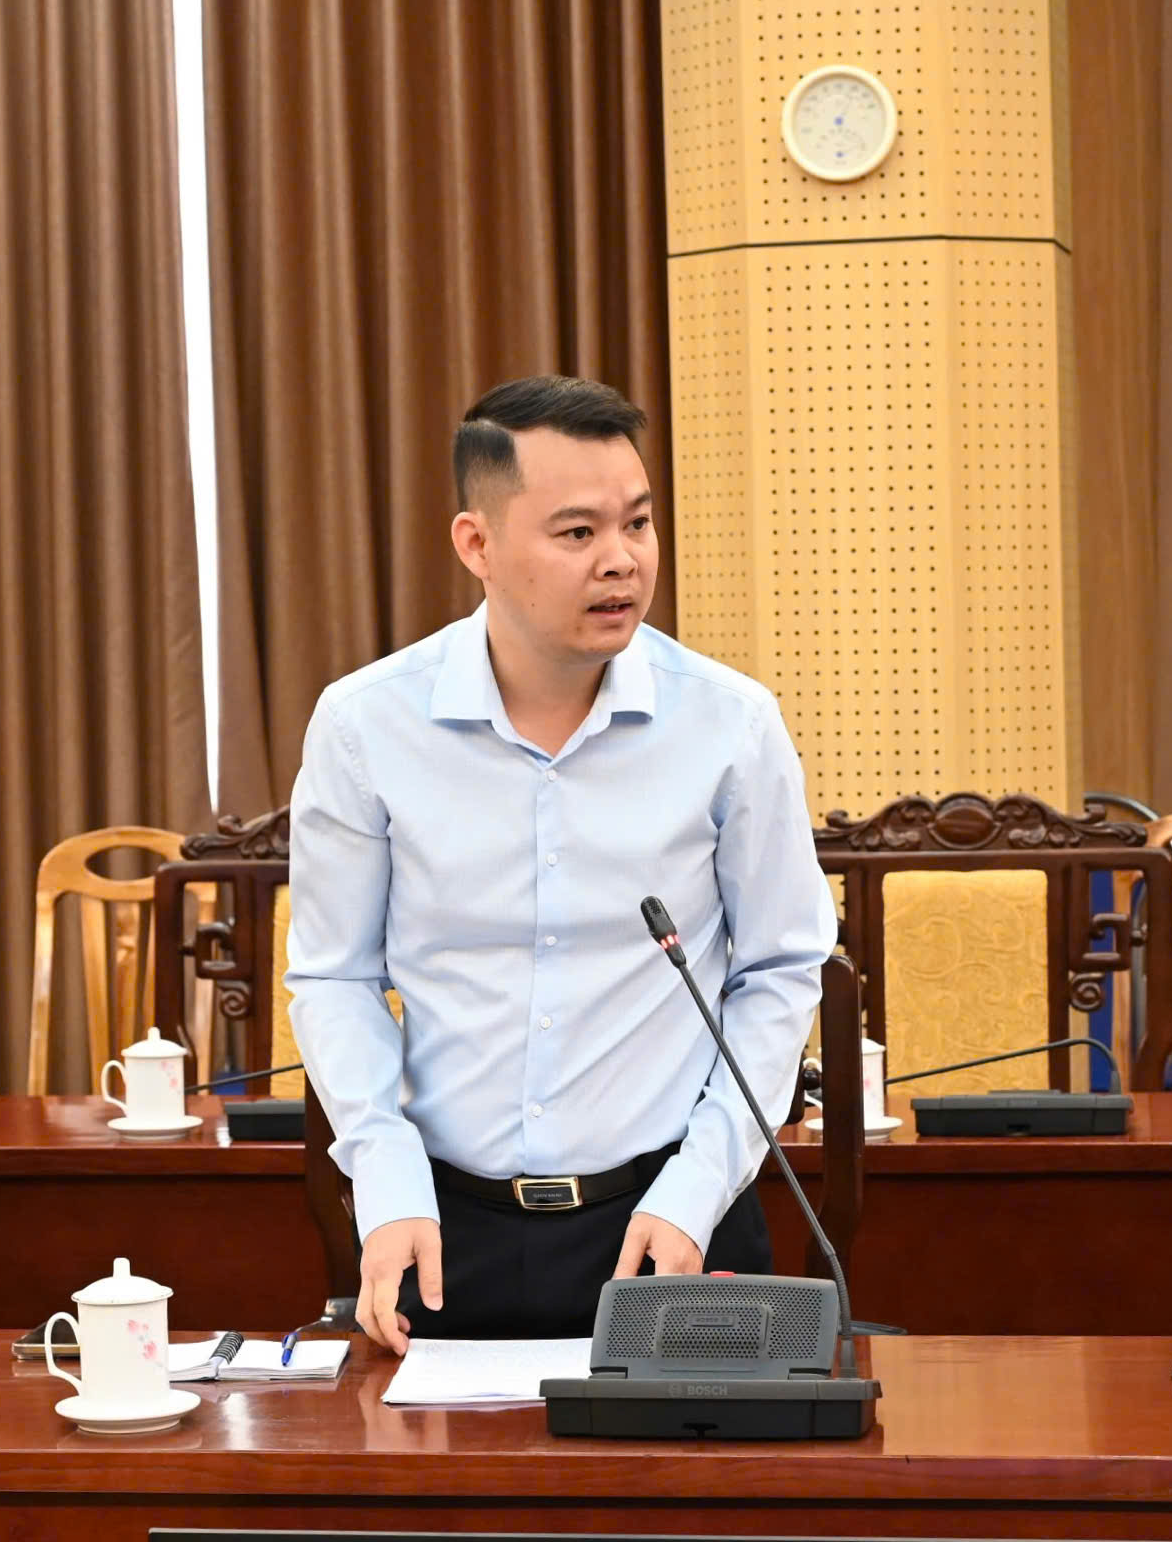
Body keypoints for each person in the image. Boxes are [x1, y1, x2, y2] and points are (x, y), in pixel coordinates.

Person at [286, 374, 836, 1347]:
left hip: (669, 1218)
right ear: (476, 544)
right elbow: (336, 975)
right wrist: (384, 1171)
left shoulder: (728, 724)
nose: (620, 560)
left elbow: (780, 967)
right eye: (577, 532)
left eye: (637, 523)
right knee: (432, 1455)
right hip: (442, 1228)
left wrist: (699, 1183)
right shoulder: (367, 724)